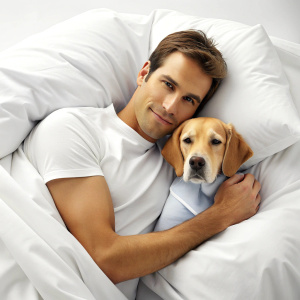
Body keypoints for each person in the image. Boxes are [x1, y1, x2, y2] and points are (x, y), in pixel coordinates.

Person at [24, 30, 261, 299]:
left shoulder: (177, 164)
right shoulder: (73, 128)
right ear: (144, 73)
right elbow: (105, 258)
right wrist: (220, 216)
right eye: (168, 85)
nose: (171, 106)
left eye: (189, 99)